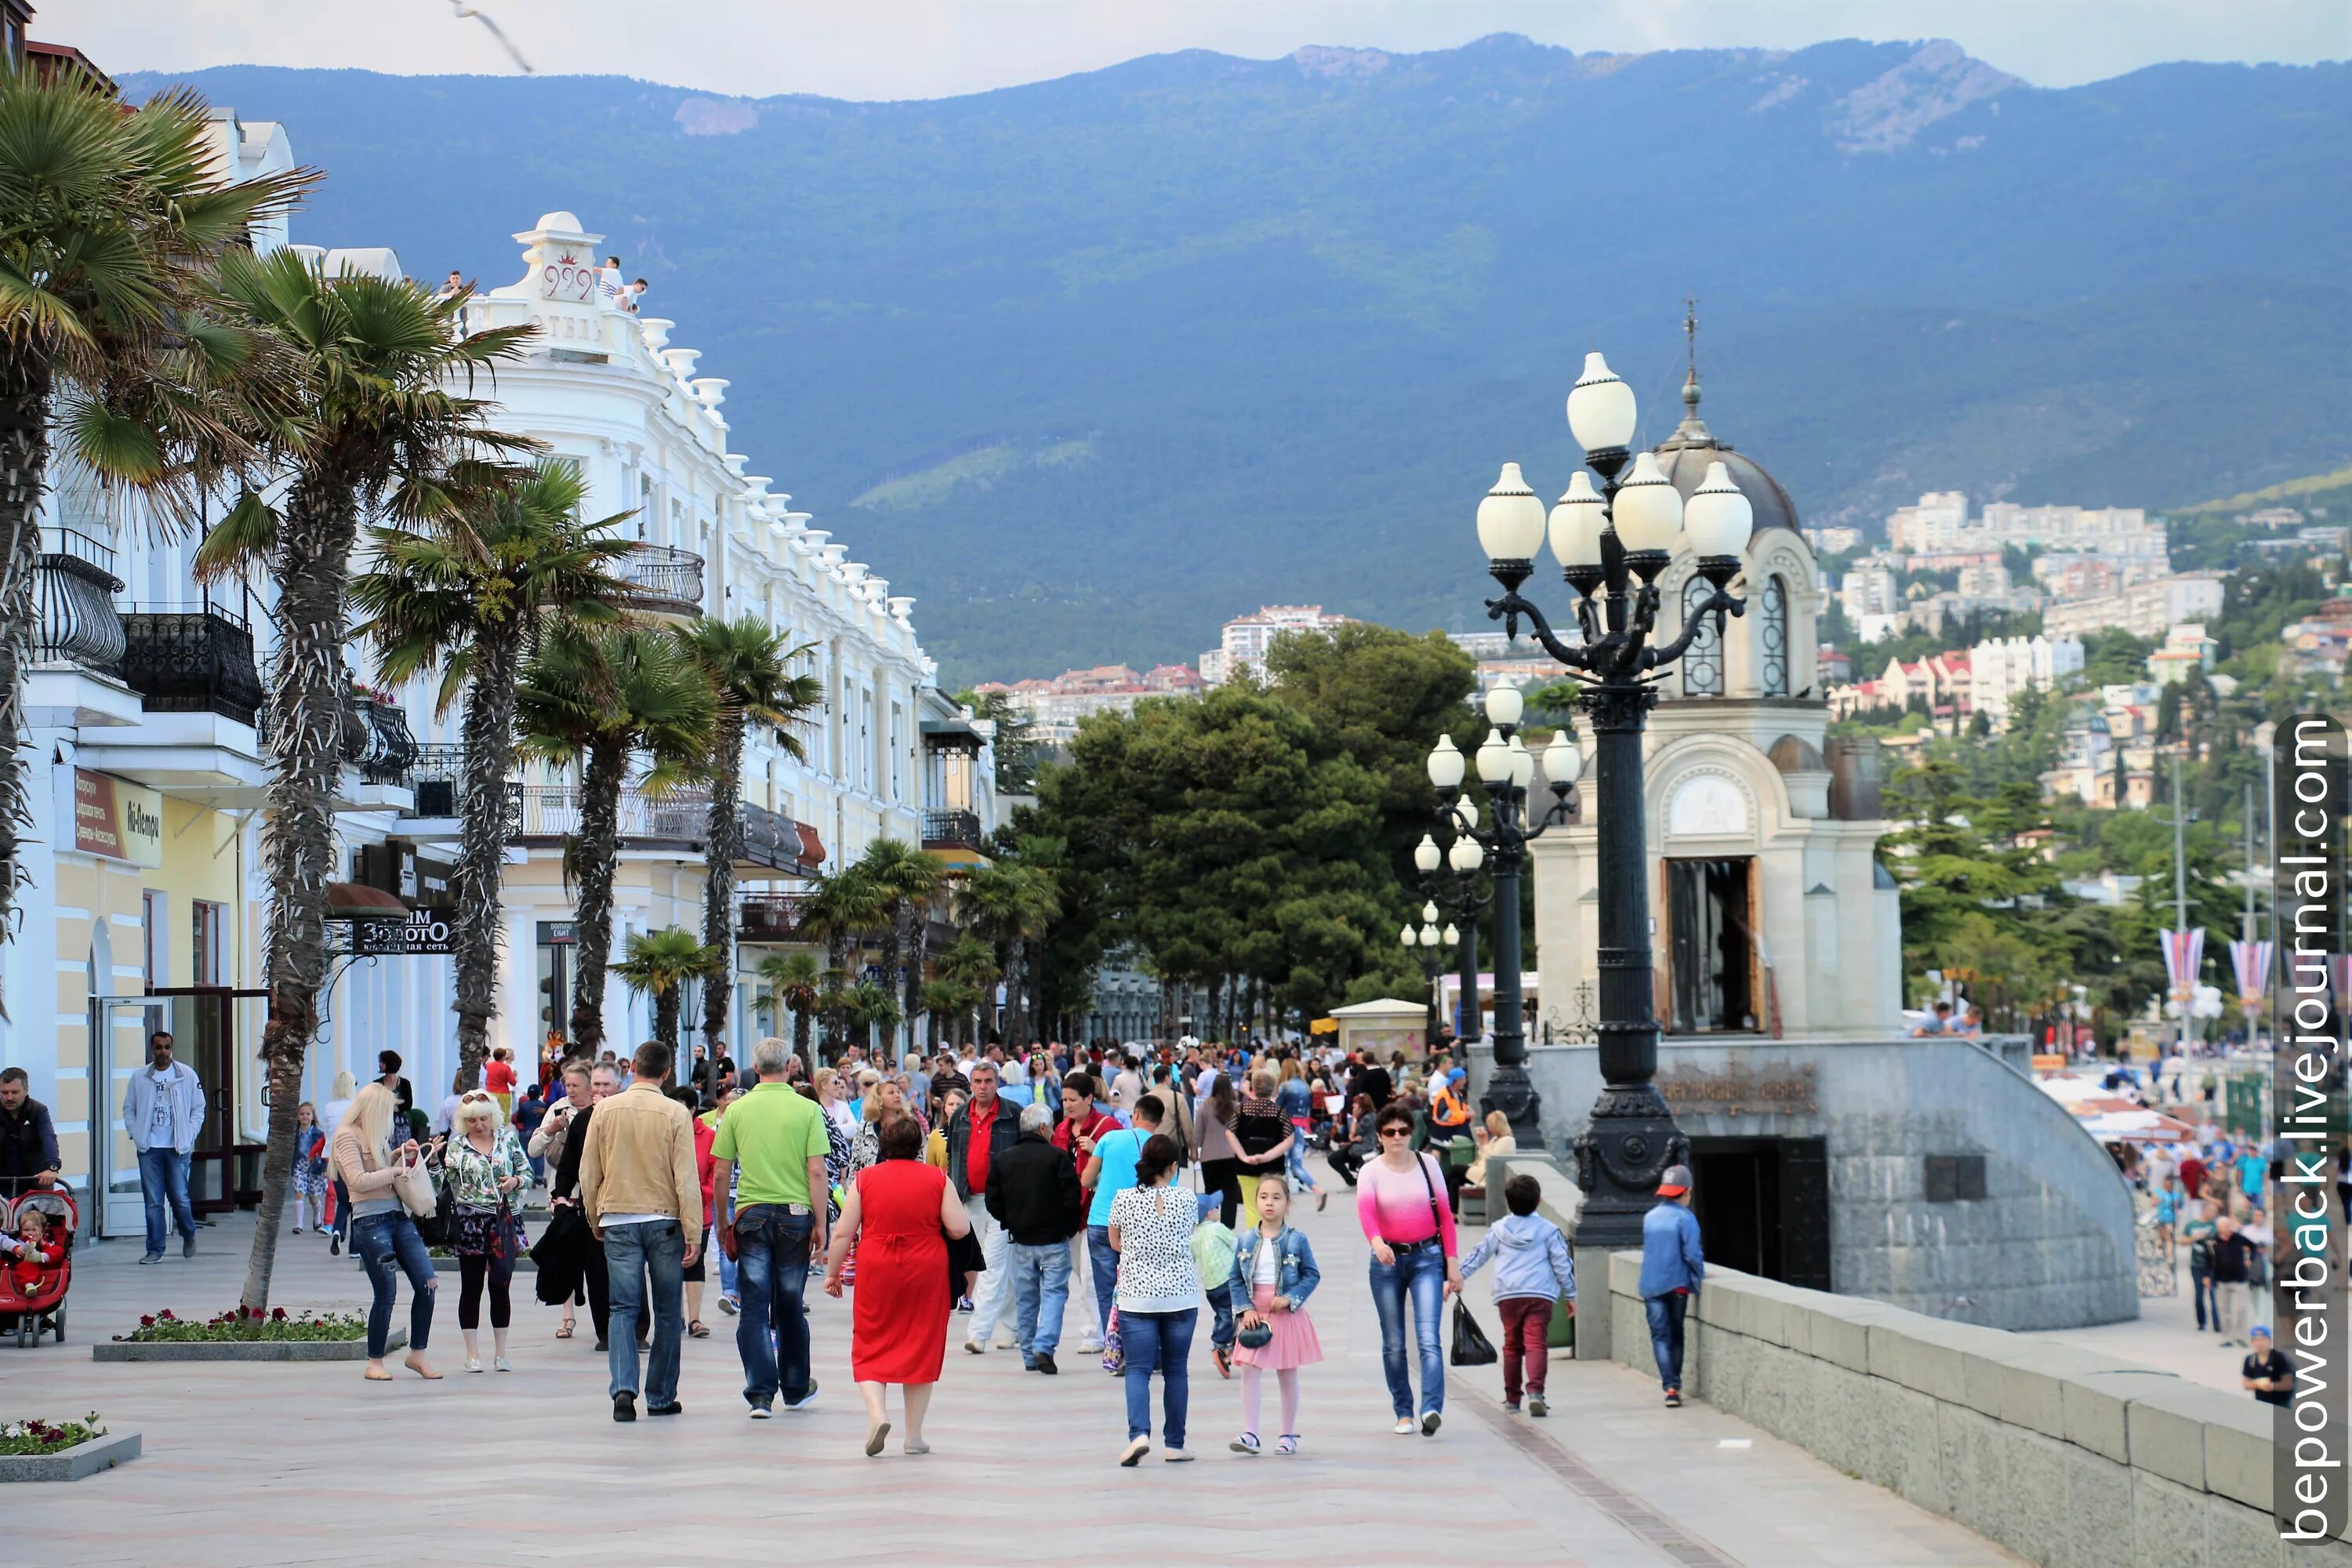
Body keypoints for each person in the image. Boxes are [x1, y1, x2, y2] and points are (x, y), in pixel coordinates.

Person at [822, 1114, 970, 1455]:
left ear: (884, 1146)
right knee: (922, 1342)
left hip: (878, 1265)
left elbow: (844, 1231)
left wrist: (832, 1273)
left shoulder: (864, 1179)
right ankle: (913, 1436)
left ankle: (877, 1415)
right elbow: (960, 1228)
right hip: (926, 1266)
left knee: (871, 1338)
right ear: (918, 1146)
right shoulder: (938, 1179)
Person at [577, 1041, 702, 1422]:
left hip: (618, 1217)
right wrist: (693, 1230)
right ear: (666, 1073)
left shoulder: (604, 1110)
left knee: (622, 1308)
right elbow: (686, 1177)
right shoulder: (675, 1112)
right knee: (667, 1311)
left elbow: (589, 1170)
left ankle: (623, 1390)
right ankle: (661, 1394)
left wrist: (594, 1215)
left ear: (633, 1070)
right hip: (664, 1220)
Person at [711, 1038, 831, 1417]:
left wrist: (722, 1221)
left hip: (752, 1214)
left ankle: (760, 1392)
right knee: (790, 1304)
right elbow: (817, 1170)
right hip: (795, 1215)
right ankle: (795, 1387)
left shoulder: (737, 1109)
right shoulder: (807, 1109)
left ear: (755, 1067)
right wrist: (821, 1222)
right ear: (790, 1066)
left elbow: (720, 1171)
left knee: (753, 1303)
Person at [1359, 1101, 1461, 1435]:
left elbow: (1445, 1216)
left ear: (1412, 1133)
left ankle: (1431, 1408)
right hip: (1387, 1261)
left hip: (1427, 1258)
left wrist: (1453, 1264)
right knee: (1393, 1341)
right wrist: (1377, 1242)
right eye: (1390, 1132)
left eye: (1404, 1131)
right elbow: (1367, 1213)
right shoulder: (1371, 1171)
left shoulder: (1428, 1164)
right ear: (1380, 1136)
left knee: (1429, 1338)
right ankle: (1403, 1411)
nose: (1398, 1137)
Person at [331, 1083, 438, 1381]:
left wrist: (399, 1156)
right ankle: (374, 1361)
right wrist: (395, 1171)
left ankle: (418, 1353)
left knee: (427, 1282)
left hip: (397, 1216)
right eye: (388, 1110)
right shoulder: (345, 1136)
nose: (392, 1117)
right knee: (386, 1292)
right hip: (370, 1221)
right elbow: (357, 1179)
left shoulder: (376, 1135)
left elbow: (381, 1169)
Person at [1108, 1132, 1200, 1465]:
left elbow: (1115, 1242)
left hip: (1138, 1297)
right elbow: (1189, 1237)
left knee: (1137, 1370)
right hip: (1180, 1296)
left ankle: (1139, 1435)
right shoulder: (1187, 1199)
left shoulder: (1123, 1199)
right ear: (1173, 1167)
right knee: (1176, 1370)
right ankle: (1175, 1443)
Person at [1459, 1172, 1576, 1416]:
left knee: (1512, 1346)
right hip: (1539, 1295)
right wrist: (1571, 1295)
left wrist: (1457, 1277)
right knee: (1536, 1344)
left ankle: (1513, 1399)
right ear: (1539, 1201)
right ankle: (1536, 1393)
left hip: (1508, 1295)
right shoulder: (1549, 1231)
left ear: (1507, 1201)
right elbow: (1563, 1264)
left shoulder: (1499, 1230)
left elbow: (1478, 1255)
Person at [1226, 1174, 1323, 1456]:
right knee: (1248, 1370)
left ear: (1287, 1203)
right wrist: (1245, 1310)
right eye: (1264, 1197)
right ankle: (1250, 1433)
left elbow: (1311, 1274)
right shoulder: (1244, 1240)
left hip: (1286, 1315)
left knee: (1287, 1372)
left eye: (1276, 1197)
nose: (1269, 1203)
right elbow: (1234, 1278)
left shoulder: (1296, 1239)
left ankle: (1287, 1435)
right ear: (1255, 1202)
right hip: (1254, 1316)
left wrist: (1290, 1298)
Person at [987, 1100, 1086, 1374]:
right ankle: (1044, 1345)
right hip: (1054, 1239)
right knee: (1054, 1293)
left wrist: (1010, 1221)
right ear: (1043, 1127)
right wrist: (1067, 1229)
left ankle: (1030, 1354)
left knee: (1026, 1297)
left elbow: (993, 1201)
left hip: (1020, 1239)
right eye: (1052, 1128)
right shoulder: (1057, 1158)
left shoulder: (1004, 1159)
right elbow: (1072, 1199)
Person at [442, 1091, 528, 1374]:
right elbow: (443, 1183)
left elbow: (526, 1172)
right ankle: (472, 1354)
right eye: (471, 1120)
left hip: (504, 1221)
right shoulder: (457, 1147)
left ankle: (501, 1354)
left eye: (483, 1118)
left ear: (493, 1116)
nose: (478, 1125)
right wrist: (431, 1164)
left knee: (500, 1285)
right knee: (472, 1286)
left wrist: (515, 1181)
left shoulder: (508, 1140)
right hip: (470, 1222)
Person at [1082, 1094, 1165, 1370]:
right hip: (1142, 1226)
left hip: (1102, 1221)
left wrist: (1102, 1181)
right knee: (1146, 1290)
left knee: (1107, 1292)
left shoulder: (1109, 1139)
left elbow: (1086, 1178)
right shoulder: (1161, 1149)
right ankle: (1150, 1355)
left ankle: (1118, 1354)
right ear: (1160, 1121)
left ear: (1137, 1115)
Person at [943, 1061, 1021, 1355]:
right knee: (997, 1269)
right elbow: (953, 1156)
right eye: (977, 1081)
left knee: (992, 1266)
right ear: (971, 1084)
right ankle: (1015, 1327)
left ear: (996, 1082)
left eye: (988, 1081)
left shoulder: (1012, 1114)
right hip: (969, 1199)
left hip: (1003, 1202)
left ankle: (978, 1333)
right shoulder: (961, 1115)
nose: (983, 1086)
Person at [1053, 1072, 1120, 1352]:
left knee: (1093, 1276)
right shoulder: (1061, 1129)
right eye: (1064, 1099)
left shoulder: (1108, 1128)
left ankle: (1095, 1334)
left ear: (1089, 1099)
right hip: (1069, 1210)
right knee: (1081, 1273)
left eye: (1073, 1100)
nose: (1067, 1105)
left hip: (1097, 1211)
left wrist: (1096, 1151)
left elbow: (1119, 1169)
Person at [122, 1030, 202, 1264]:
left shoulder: (185, 1075)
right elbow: (129, 1108)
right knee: (154, 1202)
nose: (163, 1052)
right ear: (152, 1050)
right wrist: (136, 1133)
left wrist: (189, 1134)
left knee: (180, 1197)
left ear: (172, 1048)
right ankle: (155, 1249)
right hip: (149, 1148)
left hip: (177, 1147)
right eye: (158, 1047)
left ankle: (189, 1233)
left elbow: (199, 1108)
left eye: (167, 1047)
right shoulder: (140, 1077)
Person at [1639, 1163, 1704, 1408]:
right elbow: (1692, 1254)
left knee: (1660, 1337)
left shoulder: (1650, 1218)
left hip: (1650, 1286)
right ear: (1686, 1192)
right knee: (1676, 1335)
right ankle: (1675, 1386)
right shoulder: (1686, 1218)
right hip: (1677, 1285)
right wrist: (1699, 1276)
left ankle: (1669, 1386)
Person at [1232, 1069, 1294, 1220]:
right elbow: (1289, 1140)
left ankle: (1254, 1242)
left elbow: (1229, 1133)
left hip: (1246, 1166)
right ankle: (1274, 1240)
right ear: (1273, 1088)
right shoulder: (1279, 1112)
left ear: (1253, 1087)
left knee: (1252, 1209)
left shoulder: (1241, 1110)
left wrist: (1243, 1156)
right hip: (1273, 1166)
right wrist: (1266, 1156)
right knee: (1275, 1209)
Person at [0, 1066, 60, 1199]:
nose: (9, 1097)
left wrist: (52, 1167)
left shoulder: (38, 1111)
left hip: (34, 1182)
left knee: (32, 1219)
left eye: (14, 1092)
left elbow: (48, 1137)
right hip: (2, 1183)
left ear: (26, 1090)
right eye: (4, 1093)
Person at [1196, 1073, 1244, 1228]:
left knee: (1211, 1192)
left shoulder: (1204, 1106)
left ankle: (1212, 1225)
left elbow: (1197, 1134)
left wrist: (1194, 1150)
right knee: (1230, 1193)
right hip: (1231, 1156)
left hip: (1209, 1157)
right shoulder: (1236, 1108)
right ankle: (1228, 1227)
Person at [2181, 1196, 2221, 1332]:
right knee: (2199, 1294)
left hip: (2213, 1265)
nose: (2214, 1214)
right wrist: (2195, 1238)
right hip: (2197, 1264)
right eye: (2213, 1211)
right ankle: (2201, 1321)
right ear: (2205, 1211)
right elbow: (2182, 1240)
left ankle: (2217, 1324)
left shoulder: (2216, 1225)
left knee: (2214, 1295)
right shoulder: (2192, 1225)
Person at [290, 1102, 328, 1233]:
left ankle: (317, 1216)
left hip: (314, 1167)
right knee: (299, 1193)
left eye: (308, 1114)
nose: (305, 1116)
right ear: (297, 1117)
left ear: (313, 1117)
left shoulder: (319, 1134)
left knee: (314, 1198)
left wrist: (324, 1167)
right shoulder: (294, 1135)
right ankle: (298, 1225)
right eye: (302, 1114)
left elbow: (324, 1151)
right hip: (299, 1167)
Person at [2243, 1325, 2293, 1407]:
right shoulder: (2250, 1360)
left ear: (2270, 1341)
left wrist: (2270, 1386)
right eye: (2256, 1340)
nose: (2260, 1343)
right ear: (2252, 1342)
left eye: (2263, 1339)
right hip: (2261, 1404)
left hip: (2281, 1404)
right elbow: (2246, 1384)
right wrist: (2257, 1384)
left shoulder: (2279, 1358)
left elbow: (2288, 1384)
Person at [378, 1050, 416, 1131]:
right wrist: (398, 1102)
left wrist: (389, 1105)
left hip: (401, 1125)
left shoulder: (405, 1083)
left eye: (382, 1062)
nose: (379, 1065)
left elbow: (408, 1104)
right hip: (382, 1125)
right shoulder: (377, 1084)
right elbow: (377, 1104)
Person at [485, 1047, 517, 1117]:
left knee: (491, 1114)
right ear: (503, 1057)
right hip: (503, 1093)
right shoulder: (506, 1067)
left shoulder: (488, 1066)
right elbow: (513, 1082)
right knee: (502, 1115)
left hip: (490, 1092)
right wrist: (514, 1076)